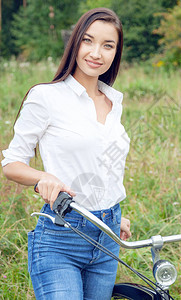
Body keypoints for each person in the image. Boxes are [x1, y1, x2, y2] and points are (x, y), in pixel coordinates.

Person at [1, 7, 132, 300]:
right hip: (60, 238)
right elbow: (11, 163)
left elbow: (103, 165)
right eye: (88, 40)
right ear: (75, 42)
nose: (96, 52)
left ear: (116, 53)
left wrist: (109, 213)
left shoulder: (113, 101)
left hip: (108, 236)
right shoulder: (46, 97)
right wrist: (43, 177)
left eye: (108, 45)